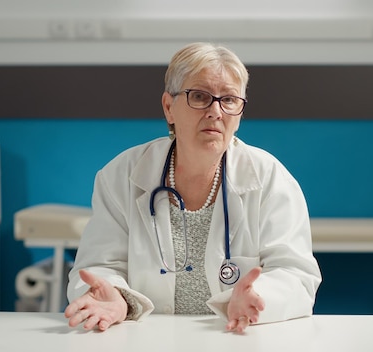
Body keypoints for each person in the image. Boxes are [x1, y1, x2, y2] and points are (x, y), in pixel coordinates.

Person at [65, 42, 322, 333]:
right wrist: (117, 298)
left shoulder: (270, 178)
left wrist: (259, 297)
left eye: (229, 100)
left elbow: (296, 275)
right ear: (168, 107)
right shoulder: (121, 176)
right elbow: (99, 266)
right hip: (146, 340)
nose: (216, 111)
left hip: (236, 339)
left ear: (239, 115)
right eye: (199, 96)